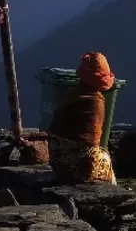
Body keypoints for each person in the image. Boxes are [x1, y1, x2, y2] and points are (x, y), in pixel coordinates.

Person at [47, 52, 118, 184]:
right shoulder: (96, 101)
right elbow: (91, 143)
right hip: (76, 166)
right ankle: (111, 194)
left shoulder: (70, 94)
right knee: (105, 158)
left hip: (56, 161)